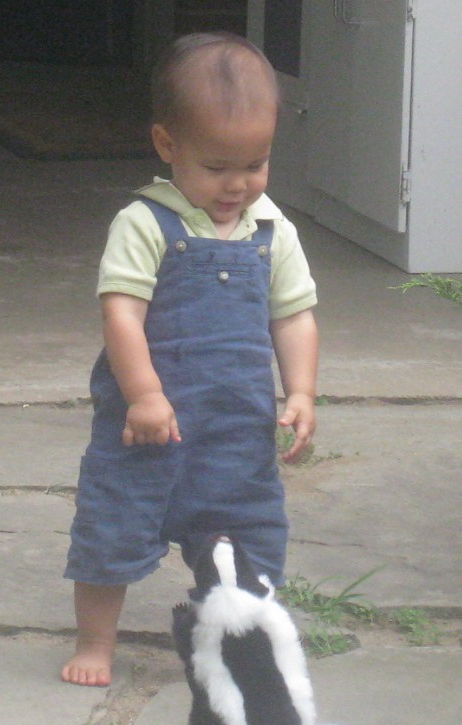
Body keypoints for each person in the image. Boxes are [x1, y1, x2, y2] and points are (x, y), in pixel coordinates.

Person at [61, 32, 318, 687]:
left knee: (251, 532)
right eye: (216, 167)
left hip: (234, 425)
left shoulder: (270, 230)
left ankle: (245, 636)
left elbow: (293, 314)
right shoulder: (146, 223)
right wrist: (145, 394)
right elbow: (121, 311)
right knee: (113, 527)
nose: (238, 185)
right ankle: (96, 641)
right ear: (167, 146)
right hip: (147, 426)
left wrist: (302, 391)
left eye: (255, 164)